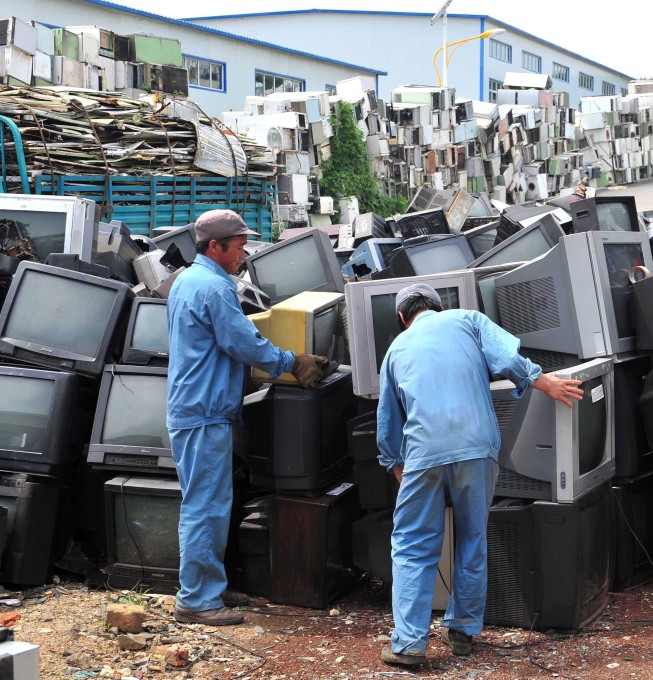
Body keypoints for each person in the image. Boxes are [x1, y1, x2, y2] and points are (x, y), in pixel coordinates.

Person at [376, 283, 584, 666]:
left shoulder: (395, 350)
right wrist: (546, 383)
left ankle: (408, 645)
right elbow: (507, 358)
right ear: (439, 307)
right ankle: (463, 631)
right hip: (477, 449)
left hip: (423, 452)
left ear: (403, 319)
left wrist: (396, 465)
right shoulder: (467, 319)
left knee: (412, 546)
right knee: (472, 538)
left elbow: (388, 421)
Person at [166, 209, 327, 626]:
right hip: (204, 413)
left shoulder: (187, 280)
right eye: (238, 247)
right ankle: (197, 600)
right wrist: (293, 361)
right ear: (215, 247)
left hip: (196, 409)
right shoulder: (213, 290)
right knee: (205, 508)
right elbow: (246, 345)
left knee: (209, 504)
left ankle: (207, 589)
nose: (244, 254)